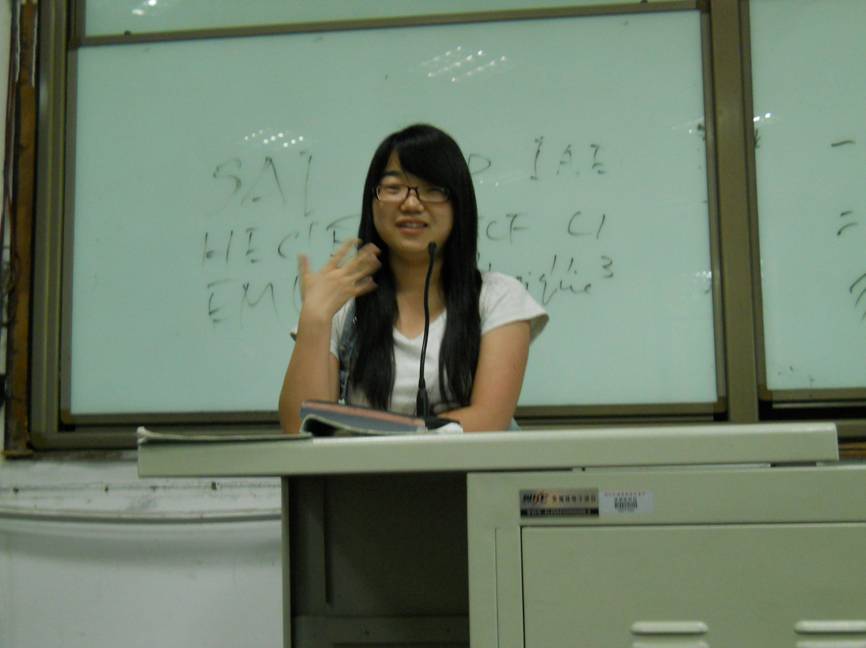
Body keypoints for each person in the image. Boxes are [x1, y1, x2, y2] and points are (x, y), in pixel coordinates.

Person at [279, 124, 547, 434]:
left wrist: (384, 434)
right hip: (363, 469)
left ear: (459, 204)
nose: (411, 203)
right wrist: (315, 317)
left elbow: (489, 419)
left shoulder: (498, 298)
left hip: (467, 467)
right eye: (393, 187)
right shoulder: (344, 305)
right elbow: (299, 427)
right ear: (372, 201)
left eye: (433, 190)